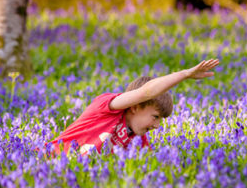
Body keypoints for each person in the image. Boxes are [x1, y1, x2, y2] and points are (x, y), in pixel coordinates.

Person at [48, 59, 220, 155]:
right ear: (135, 107)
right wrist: (184, 74)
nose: (157, 126)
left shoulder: (139, 141)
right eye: (155, 117)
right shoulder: (105, 108)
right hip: (47, 159)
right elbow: (146, 93)